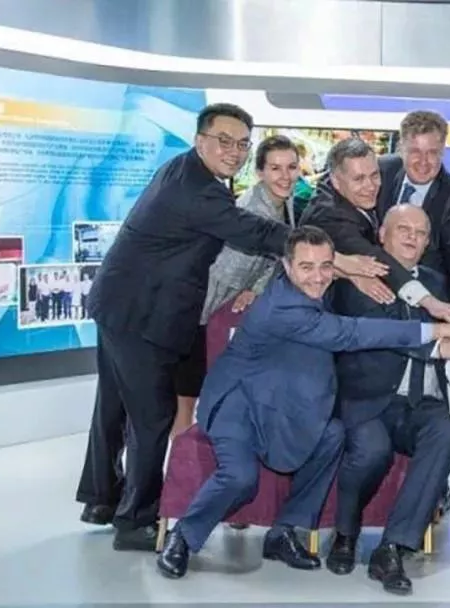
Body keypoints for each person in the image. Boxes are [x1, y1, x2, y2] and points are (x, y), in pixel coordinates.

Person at [75, 103, 380, 552]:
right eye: (224, 141)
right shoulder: (199, 191)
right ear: (200, 140)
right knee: (152, 416)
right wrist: (331, 259)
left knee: (114, 406)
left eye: (241, 143)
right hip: (142, 313)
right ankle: (135, 520)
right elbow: (252, 231)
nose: (233, 151)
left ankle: (101, 498)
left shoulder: (186, 171)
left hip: (121, 302)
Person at [155, 226, 450, 579]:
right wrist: (437, 330)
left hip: (285, 400)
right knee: (240, 476)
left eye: (325, 266)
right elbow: (353, 332)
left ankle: (284, 531)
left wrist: (350, 272)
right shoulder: (284, 306)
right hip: (240, 404)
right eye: (306, 267)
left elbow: (341, 273)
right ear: (287, 266)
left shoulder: (317, 284)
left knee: (332, 435)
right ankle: (183, 537)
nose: (317, 277)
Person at [327, 205, 450, 594]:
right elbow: (382, 331)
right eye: (403, 229)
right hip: (368, 398)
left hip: (423, 401)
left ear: (429, 241)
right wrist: (442, 343)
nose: (413, 237)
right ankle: (345, 532)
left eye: (421, 232)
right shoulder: (360, 277)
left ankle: (392, 547)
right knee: (372, 450)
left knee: (447, 433)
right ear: (382, 235)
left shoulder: (437, 283)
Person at [172, 135, 304, 438]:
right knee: (187, 403)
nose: (285, 176)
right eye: (275, 168)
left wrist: (255, 287)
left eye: (291, 167)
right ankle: (177, 465)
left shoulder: (283, 202)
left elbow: (270, 257)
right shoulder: (251, 209)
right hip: (201, 312)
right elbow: (219, 273)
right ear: (259, 172)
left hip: (222, 314)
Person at [300, 137, 450, 322]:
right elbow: (373, 258)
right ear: (336, 182)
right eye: (359, 179)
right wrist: (429, 302)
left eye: (375, 175)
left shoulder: (355, 190)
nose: (370, 186)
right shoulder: (329, 215)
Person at [376, 110, 450, 305]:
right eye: (415, 152)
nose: (423, 162)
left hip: (423, 296)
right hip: (371, 281)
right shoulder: (380, 171)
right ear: (401, 148)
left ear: (443, 151)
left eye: (432, 153)